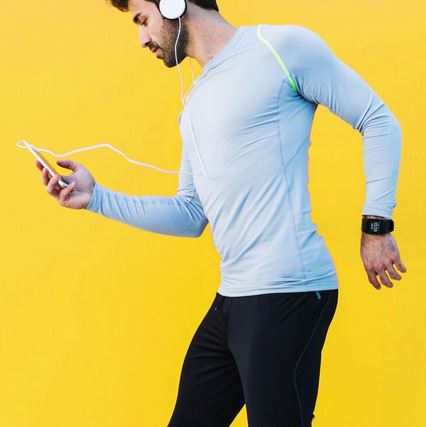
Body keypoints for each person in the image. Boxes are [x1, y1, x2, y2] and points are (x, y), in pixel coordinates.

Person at [36, 0, 408, 425]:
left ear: (173, 4)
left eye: (142, 20)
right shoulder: (194, 104)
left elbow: (377, 120)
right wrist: (96, 198)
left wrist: (376, 225)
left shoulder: (280, 48)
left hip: (287, 292)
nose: (141, 39)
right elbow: (191, 213)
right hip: (233, 300)